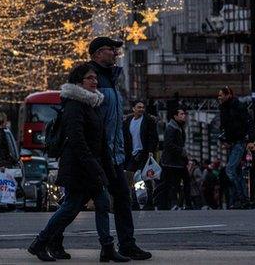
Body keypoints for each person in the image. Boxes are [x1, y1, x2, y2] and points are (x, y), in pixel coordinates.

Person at [28, 63, 127, 263]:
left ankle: (107, 247)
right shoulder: (75, 105)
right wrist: (95, 167)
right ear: (79, 82)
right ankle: (40, 242)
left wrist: (107, 168)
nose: (95, 82)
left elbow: (99, 142)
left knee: (102, 203)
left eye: (95, 78)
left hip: (92, 166)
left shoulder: (92, 104)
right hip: (79, 168)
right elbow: (77, 141)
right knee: (70, 208)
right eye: (90, 78)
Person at [89, 36, 152, 260]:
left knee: (123, 197)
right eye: (110, 50)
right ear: (97, 53)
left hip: (113, 153)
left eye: (116, 50)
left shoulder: (111, 78)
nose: (115, 54)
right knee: (75, 202)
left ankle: (127, 244)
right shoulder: (91, 78)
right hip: (98, 153)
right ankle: (47, 240)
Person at [123, 100, 159, 210]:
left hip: (144, 154)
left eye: (143, 107)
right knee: (130, 178)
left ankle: (149, 203)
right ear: (133, 108)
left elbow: (153, 137)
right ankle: (134, 202)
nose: (141, 109)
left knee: (147, 178)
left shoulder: (149, 121)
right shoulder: (128, 121)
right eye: (139, 107)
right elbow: (125, 138)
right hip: (131, 155)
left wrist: (150, 151)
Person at [218, 86, 250, 208]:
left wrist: (249, 139)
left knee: (230, 169)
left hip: (239, 142)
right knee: (237, 171)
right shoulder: (223, 108)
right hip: (232, 142)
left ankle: (240, 197)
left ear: (228, 95)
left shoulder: (238, 106)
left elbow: (247, 123)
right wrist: (224, 139)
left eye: (221, 95)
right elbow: (224, 127)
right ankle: (244, 199)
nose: (219, 97)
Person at [156, 109, 190, 210]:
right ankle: (175, 204)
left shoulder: (179, 127)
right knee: (174, 183)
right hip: (172, 162)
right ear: (175, 116)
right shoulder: (172, 128)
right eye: (181, 114)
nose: (184, 116)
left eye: (184, 114)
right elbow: (169, 145)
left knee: (181, 182)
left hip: (177, 162)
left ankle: (184, 203)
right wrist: (182, 151)